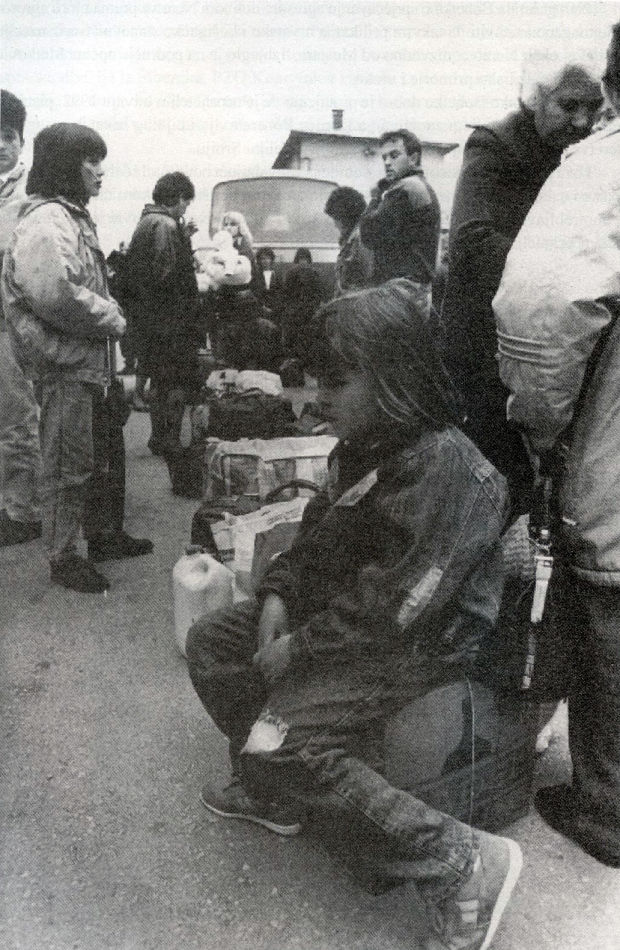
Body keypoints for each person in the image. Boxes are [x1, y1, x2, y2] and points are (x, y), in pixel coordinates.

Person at [187, 279, 522, 950]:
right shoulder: (363, 447)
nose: (321, 398)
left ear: (395, 380)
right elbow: (317, 538)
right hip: (350, 621)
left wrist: (300, 646)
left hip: (420, 640)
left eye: (338, 382)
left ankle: (460, 862)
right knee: (211, 643)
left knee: (283, 741)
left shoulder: (451, 473)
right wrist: (279, 594)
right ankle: (274, 788)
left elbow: (399, 608)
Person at [493, 26, 620, 869]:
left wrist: (545, 434)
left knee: (612, 615)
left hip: (612, 461)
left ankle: (609, 807)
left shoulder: (601, 171)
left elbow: (539, 312)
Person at [440, 50, 603, 510]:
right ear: (535, 98)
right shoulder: (494, 144)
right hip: (484, 341)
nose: (583, 120)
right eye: (569, 105)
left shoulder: (579, 153)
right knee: (494, 469)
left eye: (592, 108)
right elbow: (471, 241)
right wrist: (561, 270)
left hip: (543, 335)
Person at [1, 123, 152, 593]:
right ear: (66, 165)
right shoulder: (48, 220)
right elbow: (54, 292)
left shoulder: (69, 215)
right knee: (67, 465)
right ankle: (62, 557)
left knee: (98, 456)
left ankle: (103, 536)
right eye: (91, 160)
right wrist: (112, 316)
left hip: (85, 363)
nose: (100, 171)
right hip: (65, 365)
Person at [124, 172, 202, 455]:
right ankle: (170, 439)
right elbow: (166, 274)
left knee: (159, 380)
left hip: (150, 320)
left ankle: (158, 437)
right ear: (178, 197)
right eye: (186, 202)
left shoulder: (146, 221)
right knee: (175, 382)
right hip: (170, 321)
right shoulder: (166, 225)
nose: (186, 208)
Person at [0, 89, 42, 547]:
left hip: (12, 321)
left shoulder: (31, 193)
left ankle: (23, 510)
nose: (0, 144)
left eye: (8, 135)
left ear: (21, 141)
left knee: (16, 416)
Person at [359, 128, 440, 306]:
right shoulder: (422, 186)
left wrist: (375, 197)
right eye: (384, 157)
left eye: (394, 155)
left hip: (399, 293)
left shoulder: (404, 189)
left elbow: (368, 234)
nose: (387, 162)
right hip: (417, 290)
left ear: (413, 158)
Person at [324, 185, 373, 295]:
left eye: (336, 219)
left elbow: (368, 280)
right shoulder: (351, 240)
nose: (335, 225)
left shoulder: (361, 240)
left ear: (344, 217)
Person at [279, 248, 325, 367]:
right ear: (297, 260)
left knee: (309, 336)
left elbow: (318, 293)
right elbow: (286, 294)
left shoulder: (314, 274)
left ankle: (307, 361)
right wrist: (290, 308)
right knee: (294, 335)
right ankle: (294, 361)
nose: (303, 261)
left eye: (305, 259)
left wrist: (313, 307)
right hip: (294, 311)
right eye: (301, 259)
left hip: (310, 310)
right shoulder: (290, 274)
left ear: (309, 260)